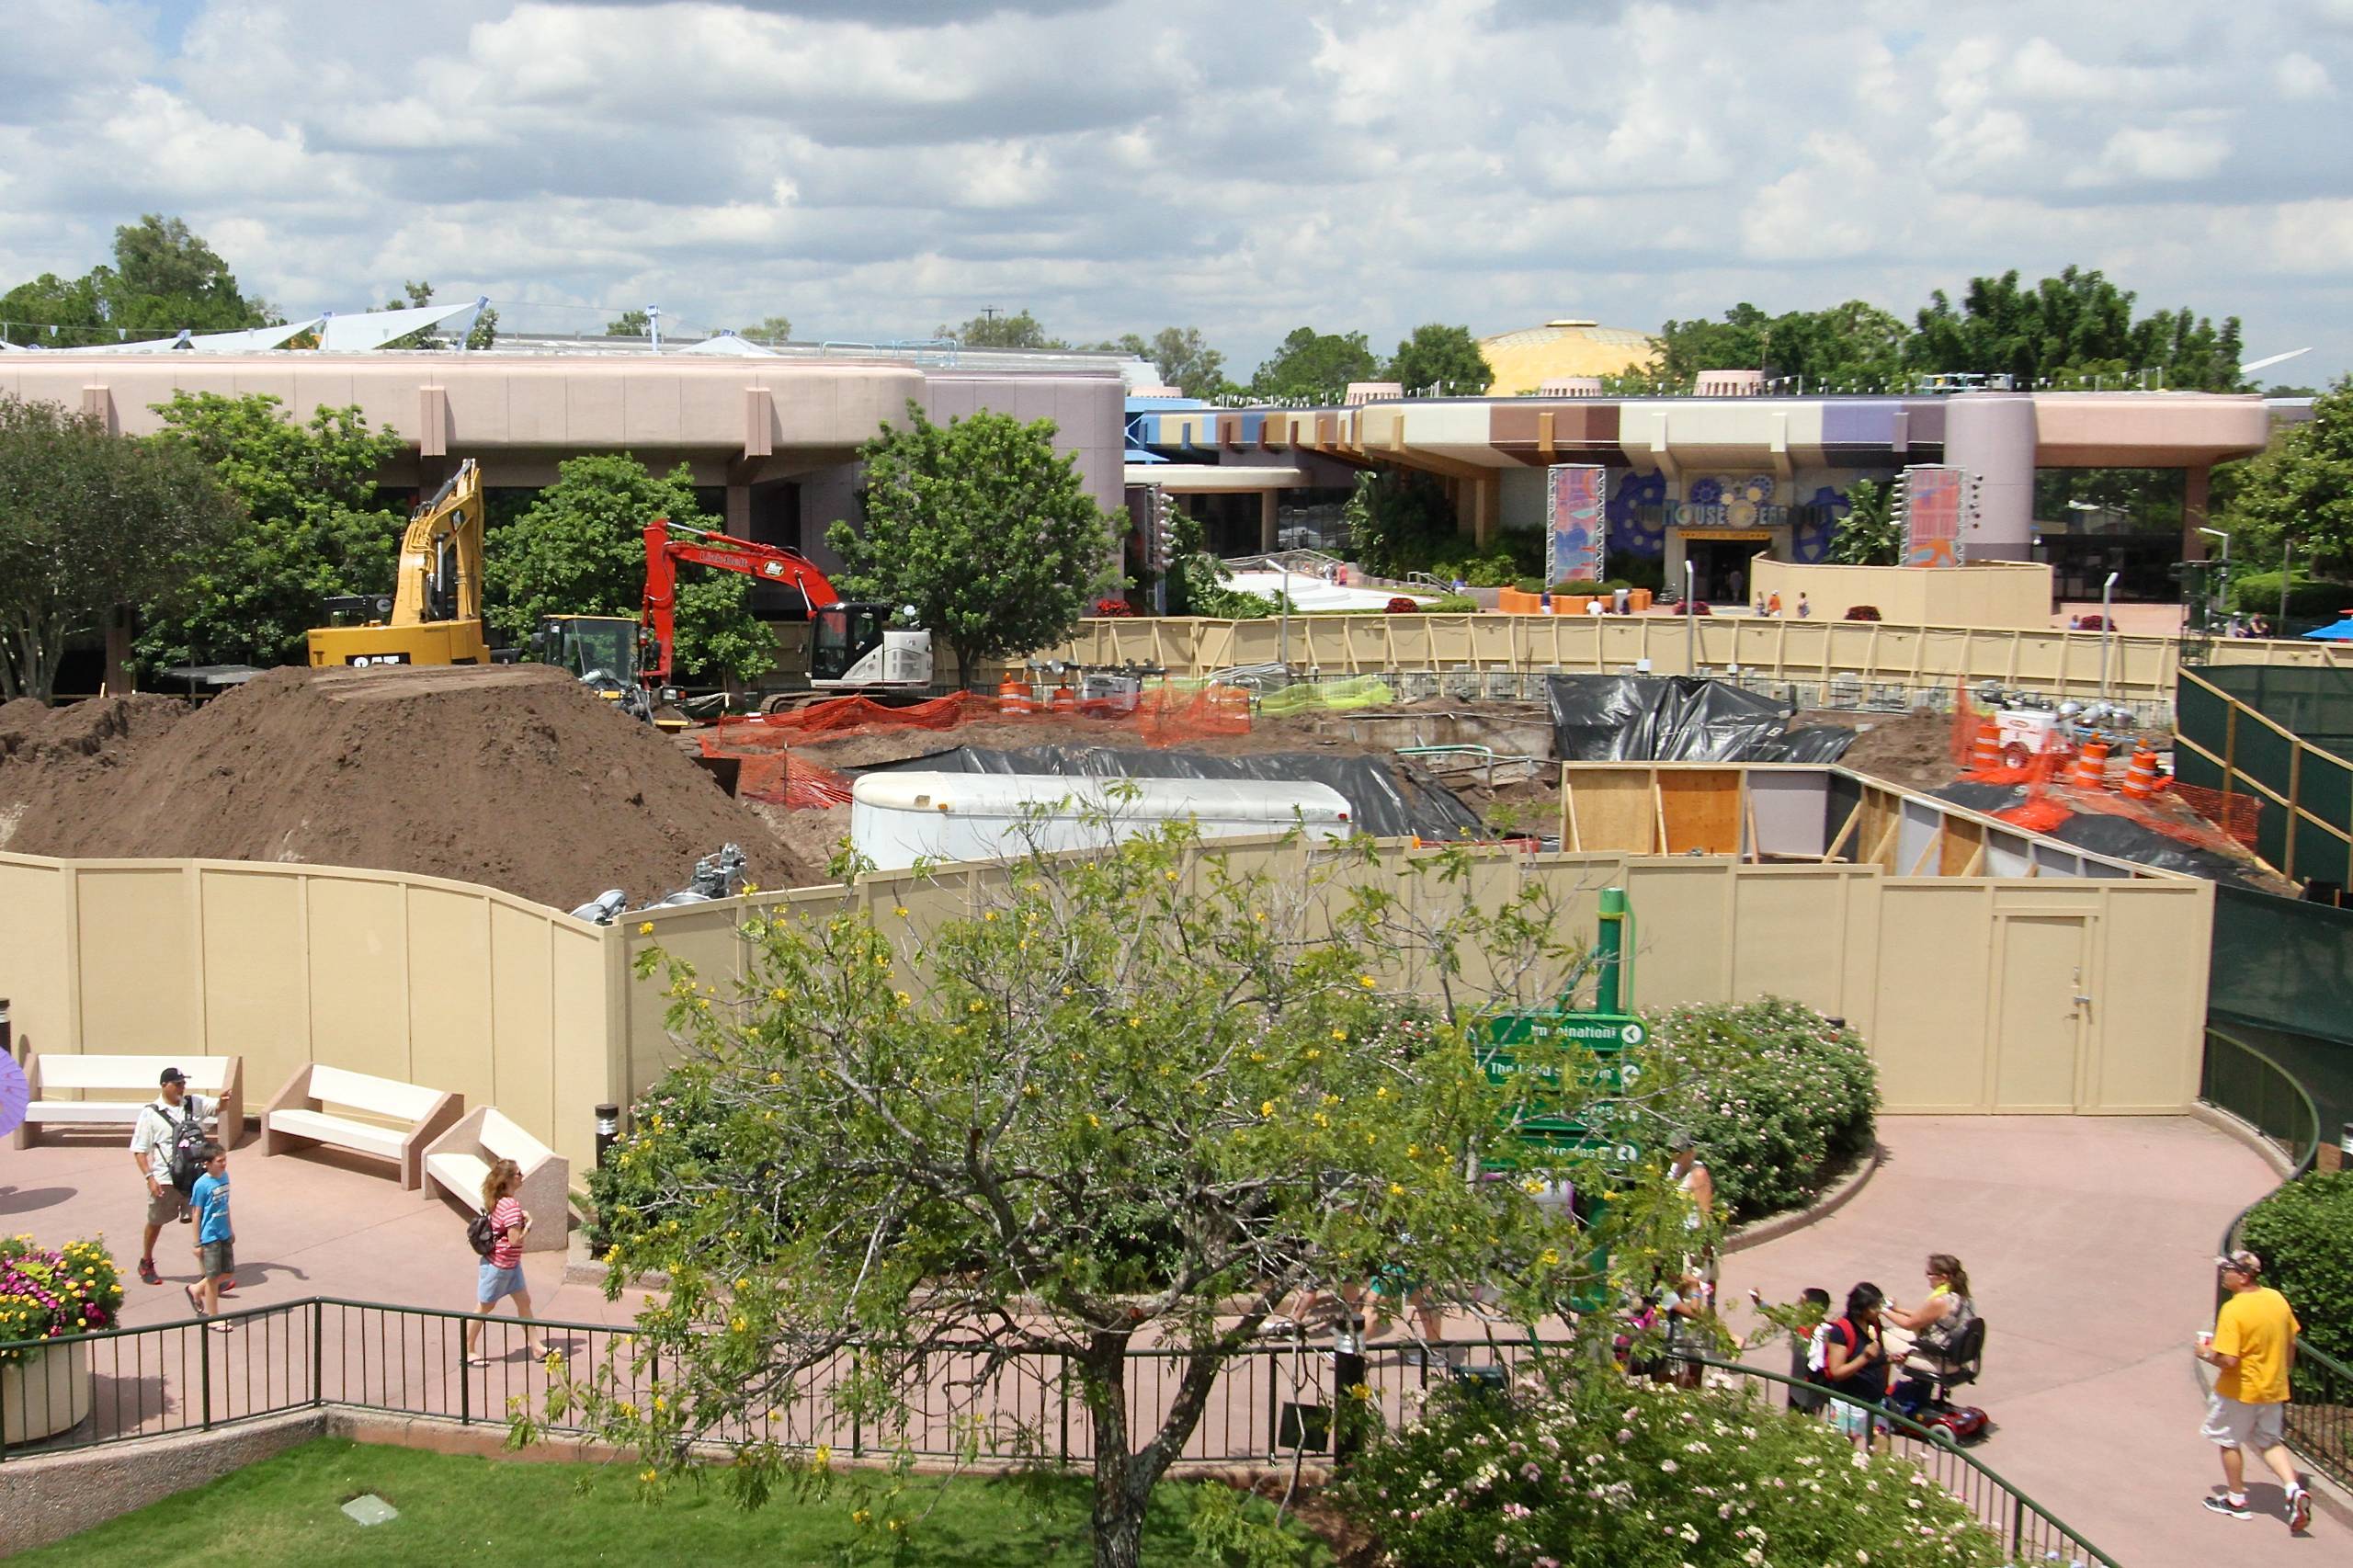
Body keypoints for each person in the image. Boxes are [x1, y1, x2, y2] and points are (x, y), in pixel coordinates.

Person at [2196, 1249, 2312, 1531]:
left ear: (2244, 1276)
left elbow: (2229, 1359)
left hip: (2240, 1390)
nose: (2224, 1274)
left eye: (2229, 1270)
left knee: (2229, 1441)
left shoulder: (2234, 1309)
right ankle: (2292, 1488)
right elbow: (2291, 1343)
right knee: (2269, 1440)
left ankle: (2236, 1500)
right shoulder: (2276, 1299)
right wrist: (2281, 1373)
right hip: (2272, 1388)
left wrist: (2206, 1353)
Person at [130, 1066, 223, 1290]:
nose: (182, 1087)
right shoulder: (150, 1114)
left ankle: (209, 1277)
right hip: (166, 1178)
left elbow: (219, 1107)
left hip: (196, 1177)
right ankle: (146, 1262)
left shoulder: (193, 1104)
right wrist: (150, 1178)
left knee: (203, 1224)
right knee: (156, 1221)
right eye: (178, 1083)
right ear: (165, 1085)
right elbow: (139, 1150)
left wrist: (225, 1099)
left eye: (184, 1083)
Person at [463, 1157, 557, 1365]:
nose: (521, 1177)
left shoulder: (500, 1202)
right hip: (499, 1266)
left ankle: (537, 1348)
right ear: (507, 1180)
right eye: (518, 1174)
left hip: (510, 1265)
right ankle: (468, 1351)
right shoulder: (511, 1206)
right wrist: (529, 1224)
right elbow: (515, 1240)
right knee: (484, 1307)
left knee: (524, 1303)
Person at [1883, 1253, 1977, 1380]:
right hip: (1954, 1354)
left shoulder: (1940, 1301)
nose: (1926, 1276)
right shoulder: (1963, 1297)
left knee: (1877, 1335)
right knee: (1890, 1332)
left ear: (1943, 1277)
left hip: (1939, 1358)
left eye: (1929, 1273)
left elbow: (1908, 1324)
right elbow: (1923, 1317)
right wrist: (1896, 1310)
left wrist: (1880, 1309)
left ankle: (1876, 1393)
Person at [1819, 1282, 1893, 1441]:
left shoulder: (1875, 1323)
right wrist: (1864, 1358)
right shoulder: (1841, 1331)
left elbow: (1880, 1356)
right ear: (1861, 1308)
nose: (1879, 1311)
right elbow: (1836, 1372)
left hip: (1875, 1400)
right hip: (1849, 1404)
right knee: (1841, 1449)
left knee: (1882, 1446)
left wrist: (1889, 1361)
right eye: (1874, 1307)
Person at [184, 1142, 234, 1333]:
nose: (224, 1164)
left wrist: (230, 1228)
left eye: (224, 1160)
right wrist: (197, 1243)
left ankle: (196, 1289)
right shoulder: (202, 1184)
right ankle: (214, 1318)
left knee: (228, 1272)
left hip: (224, 1233)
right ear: (207, 1163)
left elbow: (225, 1204)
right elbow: (196, 1213)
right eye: (219, 1161)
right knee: (213, 1279)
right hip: (209, 1236)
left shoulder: (225, 1177)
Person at [1665, 1131, 1717, 1285]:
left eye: (1678, 1151)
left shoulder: (1698, 1174)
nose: (1674, 1155)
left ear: (1691, 1152)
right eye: (1671, 1150)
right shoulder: (1673, 1171)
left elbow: (1705, 1214)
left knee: (1689, 1296)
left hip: (1690, 1243)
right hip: (1672, 1242)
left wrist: (1700, 1250)